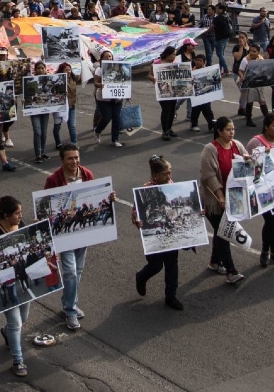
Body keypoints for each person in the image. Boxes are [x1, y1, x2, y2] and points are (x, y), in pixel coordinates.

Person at [43, 144, 114, 330]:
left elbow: (96, 198)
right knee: (70, 272)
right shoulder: (53, 179)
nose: (74, 161)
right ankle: (71, 311)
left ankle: (69, 302)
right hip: (64, 234)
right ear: (62, 160)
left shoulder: (87, 174)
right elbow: (45, 206)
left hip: (83, 234)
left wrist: (109, 197)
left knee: (78, 270)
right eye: (70, 158)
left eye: (76, 157)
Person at [0, 196, 32, 378]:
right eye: (17, 213)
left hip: (21, 280)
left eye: (20, 213)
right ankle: (18, 361)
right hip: (5, 284)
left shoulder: (22, 226)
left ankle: (6, 332)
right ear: (5, 215)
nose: (20, 216)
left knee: (23, 318)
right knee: (16, 323)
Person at [198, 117, 248, 284]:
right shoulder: (210, 150)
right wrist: (220, 197)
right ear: (219, 131)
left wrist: (251, 160)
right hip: (214, 201)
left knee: (222, 232)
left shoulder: (237, 145)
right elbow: (209, 177)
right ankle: (231, 271)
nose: (231, 133)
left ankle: (214, 262)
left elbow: (244, 165)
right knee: (225, 233)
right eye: (228, 130)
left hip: (233, 198)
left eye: (233, 129)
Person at [132, 155, 185, 310]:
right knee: (155, 265)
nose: (169, 176)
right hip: (154, 234)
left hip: (170, 232)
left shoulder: (171, 185)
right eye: (165, 174)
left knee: (172, 264)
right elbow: (136, 211)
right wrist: (137, 220)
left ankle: (171, 296)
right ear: (155, 175)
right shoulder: (146, 190)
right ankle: (141, 277)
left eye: (169, 173)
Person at [247, 113, 274, 265]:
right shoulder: (256, 142)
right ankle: (265, 251)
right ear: (266, 126)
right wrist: (260, 155)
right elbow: (248, 163)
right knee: (270, 220)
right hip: (262, 188)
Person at [92, 50, 126, 147]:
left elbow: (125, 81)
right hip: (103, 99)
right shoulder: (99, 69)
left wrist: (126, 92)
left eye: (110, 56)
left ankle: (115, 140)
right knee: (106, 118)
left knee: (116, 118)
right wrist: (101, 85)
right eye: (106, 57)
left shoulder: (119, 67)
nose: (108, 58)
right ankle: (97, 131)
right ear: (102, 58)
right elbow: (95, 82)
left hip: (116, 98)